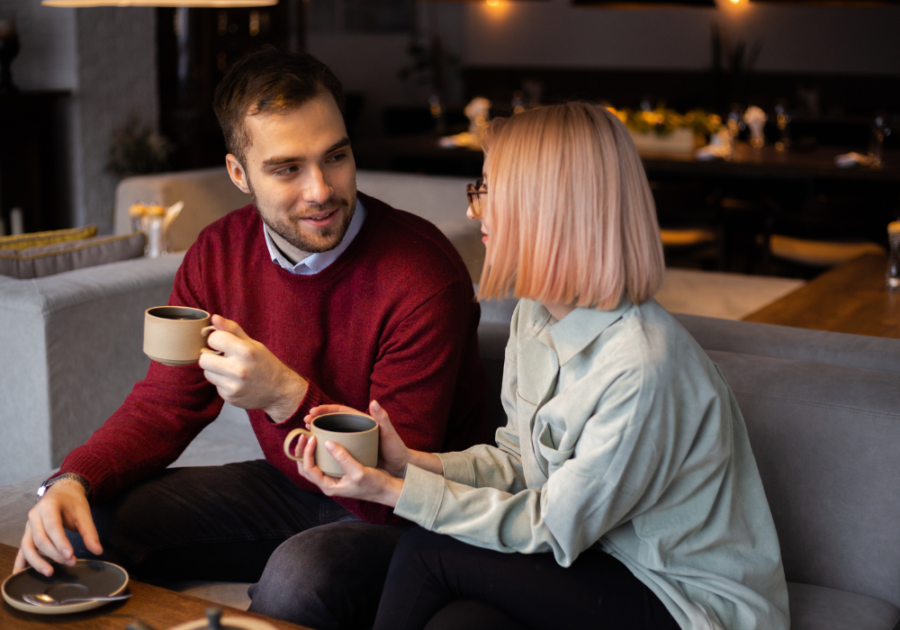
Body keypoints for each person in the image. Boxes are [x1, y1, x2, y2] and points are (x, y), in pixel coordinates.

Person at [15, 49, 488, 630]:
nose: (321, 189)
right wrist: (70, 478)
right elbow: (167, 404)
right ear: (239, 173)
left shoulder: (421, 271)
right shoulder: (218, 253)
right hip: (289, 486)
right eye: (287, 168)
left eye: (335, 157)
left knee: (298, 576)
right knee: (90, 523)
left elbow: (391, 491)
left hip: (415, 513)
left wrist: (285, 395)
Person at [293, 102, 790, 630]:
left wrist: (394, 493)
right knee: (462, 622)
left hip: (686, 601)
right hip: (600, 561)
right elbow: (521, 463)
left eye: (487, 190)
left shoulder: (641, 367)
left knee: (426, 551)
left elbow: (554, 526)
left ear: (548, 208)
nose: (472, 211)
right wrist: (409, 462)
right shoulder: (535, 314)